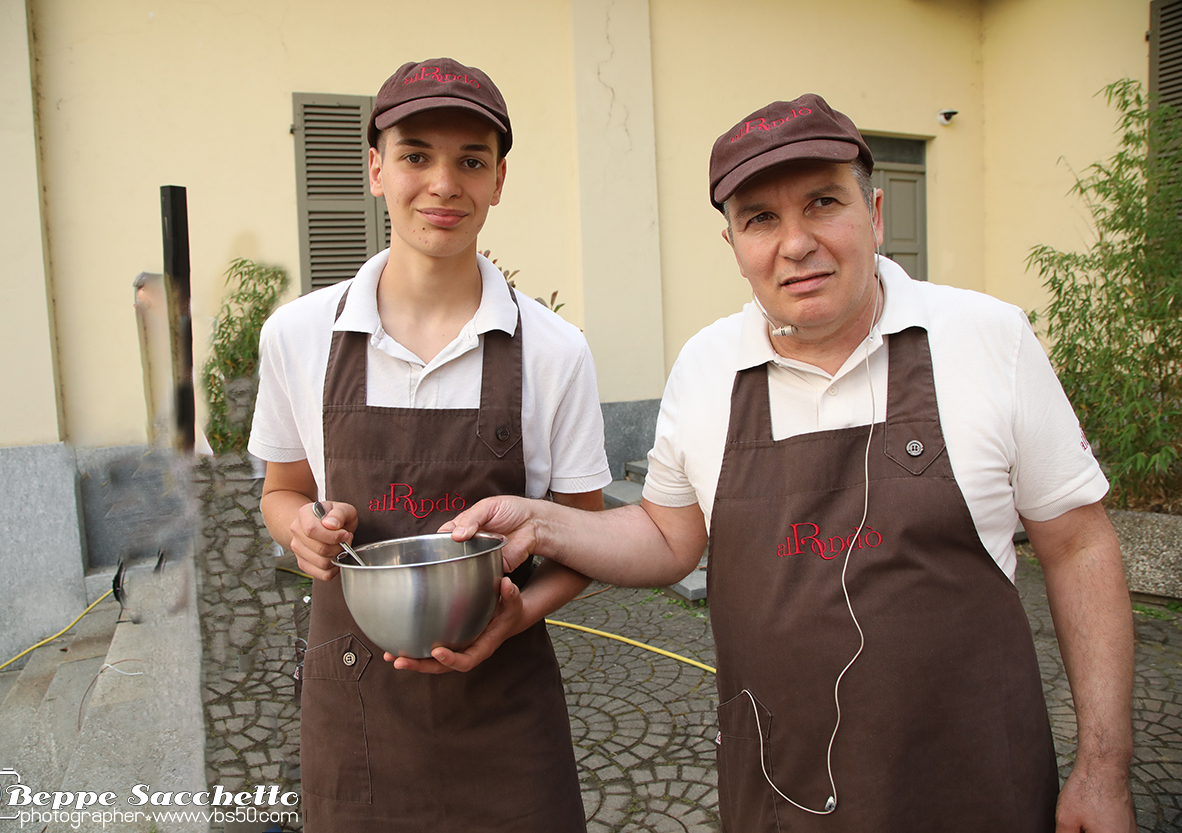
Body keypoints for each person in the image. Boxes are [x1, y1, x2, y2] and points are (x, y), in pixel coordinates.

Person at [445, 94, 1136, 832]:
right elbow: (669, 536)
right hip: (783, 797)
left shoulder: (986, 339)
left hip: (977, 789)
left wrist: (1102, 768)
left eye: (822, 203)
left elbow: (1080, 545)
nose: (796, 243)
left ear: (873, 215)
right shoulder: (708, 368)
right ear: (733, 242)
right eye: (762, 219)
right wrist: (541, 523)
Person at [248, 57, 609, 831]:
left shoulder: (552, 351)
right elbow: (281, 491)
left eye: (470, 160)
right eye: (416, 155)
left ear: (499, 180)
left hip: (506, 716)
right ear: (376, 168)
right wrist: (301, 533)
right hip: (356, 718)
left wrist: (519, 614)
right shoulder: (300, 336)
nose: (444, 183)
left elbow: (588, 533)